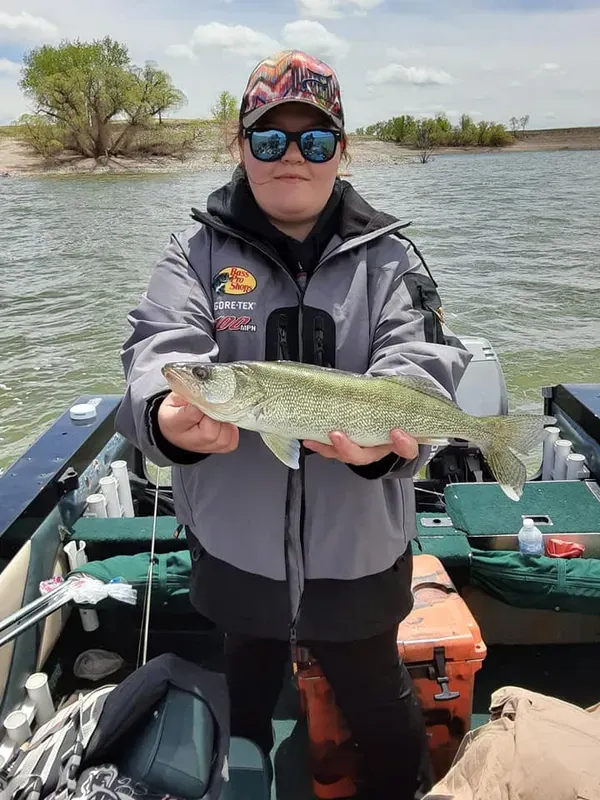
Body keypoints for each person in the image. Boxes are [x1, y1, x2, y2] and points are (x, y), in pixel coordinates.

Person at [115, 49, 471, 800]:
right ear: (240, 146)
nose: (292, 157)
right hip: (234, 552)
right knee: (243, 696)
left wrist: (386, 448)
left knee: (381, 705)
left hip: (358, 555)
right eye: (270, 138)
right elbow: (159, 351)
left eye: (314, 139)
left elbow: (420, 360)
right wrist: (165, 418)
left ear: (342, 150)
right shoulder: (193, 253)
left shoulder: (392, 259)